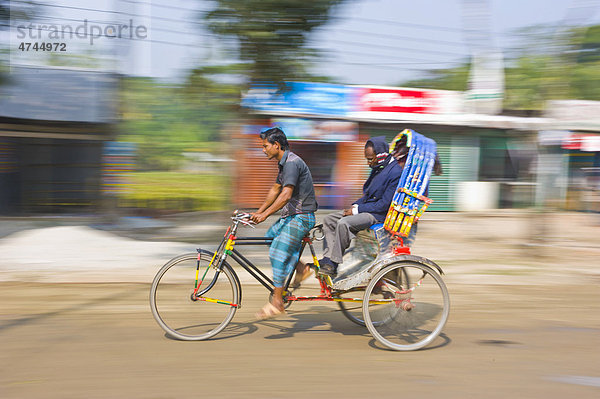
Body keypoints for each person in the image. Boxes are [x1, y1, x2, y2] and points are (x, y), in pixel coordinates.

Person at [250, 127, 317, 319]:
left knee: (277, 252)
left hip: (302, 217)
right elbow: (275, 189)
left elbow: (286, 195)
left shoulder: (292, 163)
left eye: (265, 146)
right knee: (270, 237)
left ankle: (277, 302)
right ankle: (301, 268)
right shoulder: (284, 163)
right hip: (292, 216)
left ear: (276, 145)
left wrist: (266, 215)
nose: (263, 150)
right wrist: (259, 212)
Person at [318, 136, 402, 276]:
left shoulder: (395, 173)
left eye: (370, 159)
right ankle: (328, 259)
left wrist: (357, 210)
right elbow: (368, 195)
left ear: (380, 156)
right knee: (329, 220)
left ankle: (333, 263)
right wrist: (355, 206)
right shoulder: (379, 167)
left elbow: (384, 204)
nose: (368, 163)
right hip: (367, 209)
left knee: (344, 223)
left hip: (378, 215)